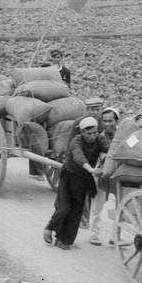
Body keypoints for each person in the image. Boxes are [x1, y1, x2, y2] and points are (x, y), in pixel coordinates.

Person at [43, 117, 109, 250]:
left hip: (83, 179)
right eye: (89, 133)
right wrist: (91, 169)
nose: (93, 136)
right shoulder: (76, 141)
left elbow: (106, 150)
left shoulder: (99, 139)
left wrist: (105, 159)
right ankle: (49, 228)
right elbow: (79, 157)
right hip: (69, 176)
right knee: (64, 208)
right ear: (82, 132)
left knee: (76, 211)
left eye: (95, 132)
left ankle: (63, 240)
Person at [88, 107, 120, 245]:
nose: (108, 124)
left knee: (121, 205)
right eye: (105, 121)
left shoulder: (123, 136)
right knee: (98, 205)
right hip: (103, 173)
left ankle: (116, 236)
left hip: (119, 174)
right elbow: (97, 153)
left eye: (110, 121)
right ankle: (94, 234)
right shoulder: (99, 137)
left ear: (117, 121)